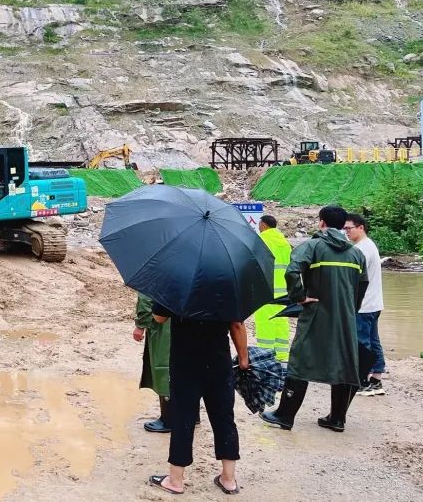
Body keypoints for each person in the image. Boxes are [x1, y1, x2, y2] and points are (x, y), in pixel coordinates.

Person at [261, 206, 367, 432]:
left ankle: (285, 415)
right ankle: (337, 419)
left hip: (316, 313)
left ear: (321, 223)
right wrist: (351, 308)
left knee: (300, 360)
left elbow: (291, 272)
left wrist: (299, 298)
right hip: (345, 318)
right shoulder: (356, 253)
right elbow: (363, 284)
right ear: (342, 225)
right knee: (345, 362)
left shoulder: (313, 246)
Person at [148, 303, 249, 495]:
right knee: (224, 417)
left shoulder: (177, 283)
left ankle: (175, 481)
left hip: (185, 362)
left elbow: (159, 318)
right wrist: (244, 358)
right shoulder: (228, 284)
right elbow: (236, 325)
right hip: (219, 362)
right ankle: (228, 480)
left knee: (182, 418)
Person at [346, 212, 386, 395]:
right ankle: (376, 378)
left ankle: (363, 381)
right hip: (374, 303)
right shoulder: (369, 245)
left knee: (362, 343)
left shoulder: (361, 249)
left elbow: (353, 279)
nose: (346, 232)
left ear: (360, 227)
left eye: (349, 228)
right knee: (373, 340)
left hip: (364, 305)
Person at [254, 215, 293, 362]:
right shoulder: (285, 243)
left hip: (266, 290)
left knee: (265, 323)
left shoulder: (261, 241)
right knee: (281, 322)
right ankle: (282, 355)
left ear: (264, 225)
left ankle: (265, 355)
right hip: (283, 292)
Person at [134, 293, 172, 433]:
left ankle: (168, 419)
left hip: (164, 325)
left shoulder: (156, 272)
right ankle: (192, 415)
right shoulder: (194, 272)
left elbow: (146, 298)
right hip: (190, 325)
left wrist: (141, 325)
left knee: (163, 366)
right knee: (187, 368)